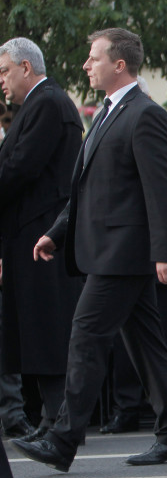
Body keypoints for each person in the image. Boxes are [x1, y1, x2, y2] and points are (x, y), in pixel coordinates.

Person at [12, 28, 167, 472]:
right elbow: (89, 189)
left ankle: (63, 438)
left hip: (124, 254)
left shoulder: (145, 114)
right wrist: (58, 232)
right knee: (148, 346)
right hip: (108, 250)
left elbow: (163, 190)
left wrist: (166, 252)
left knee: (86, 338)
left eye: (93, 58)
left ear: (119, 65)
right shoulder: (109, 112)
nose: (85, 65)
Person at [100, 76, 167, 434]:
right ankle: (127, 408)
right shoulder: (108, 124)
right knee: (121, 333)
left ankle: (166, 415)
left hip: (157, 250)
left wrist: (157, 207)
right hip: (121, 250)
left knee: (157, 336)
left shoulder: (163, 128)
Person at [0, 37, 84, 443]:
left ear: (26, 68)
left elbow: (20, 168)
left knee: (48, 332)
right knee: (36, 332)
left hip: (44, 236)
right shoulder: (38, 105)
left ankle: (61, 424)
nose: (1, 81)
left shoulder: (48, 103)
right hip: (31, 234)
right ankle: (52, 421)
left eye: (4, 71)